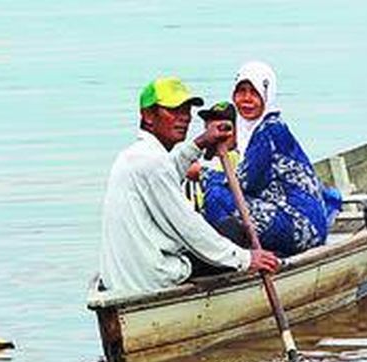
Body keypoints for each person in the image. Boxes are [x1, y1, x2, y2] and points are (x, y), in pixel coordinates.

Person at [98, 75, 280, 297]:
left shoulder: (132, 156)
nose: (184, 118)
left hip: (121, 280)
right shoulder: (153, 162)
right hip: (154, 278)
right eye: (173, 111)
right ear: (147, 116)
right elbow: (189, 227)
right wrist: (245, 259)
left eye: (186, 111)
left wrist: (200, 143)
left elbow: (168, 174)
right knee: (233, 230)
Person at [196, 61, 342, 257]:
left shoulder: (269, 130)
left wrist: (201, 173)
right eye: (241, 92)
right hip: (307, 223)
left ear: (267, 94)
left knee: (215, 195)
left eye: (254, 93)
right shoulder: (260, 128)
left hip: (303, 228)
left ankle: (228, 258)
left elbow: (241, 184)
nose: (246, 99)